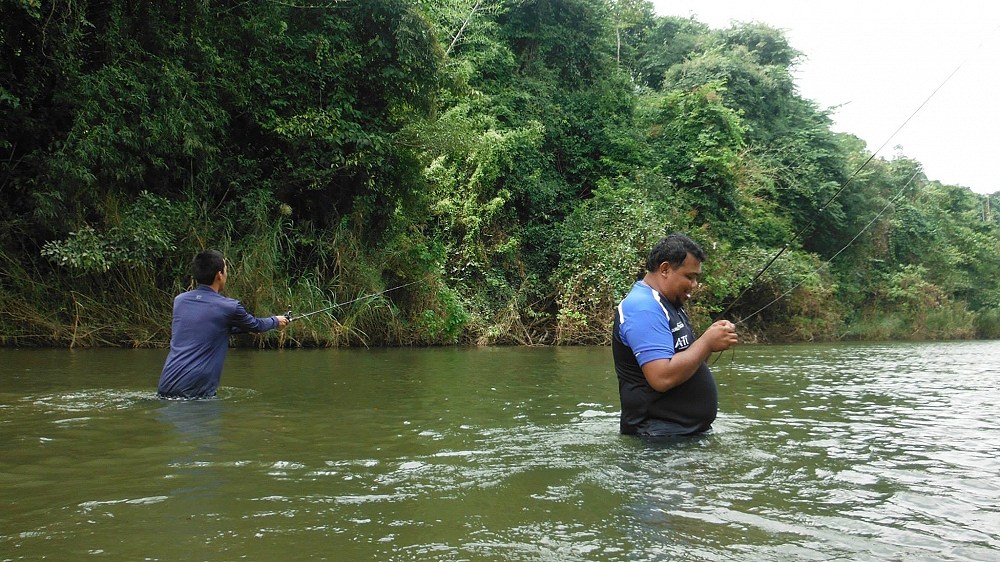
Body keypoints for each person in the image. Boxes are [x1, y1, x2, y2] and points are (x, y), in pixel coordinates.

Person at [612, 233, 739, 437]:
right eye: (689, 276)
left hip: (680, 434)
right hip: (656, 439)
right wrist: (706, 343)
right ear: (665, 269)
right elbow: (661, 377)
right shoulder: (643, 307)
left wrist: (711, 339)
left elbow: (689, 360)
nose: (694, 284)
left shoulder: (670, 303)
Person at [157, 249, 288, 399]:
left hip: (166, 384)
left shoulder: (180, 301)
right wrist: (276, 321)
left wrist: (243, 329)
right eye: (226, 269)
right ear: (219, 275)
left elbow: (209, 327)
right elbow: (256, 325)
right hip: (196, 389)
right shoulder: (229, 306)